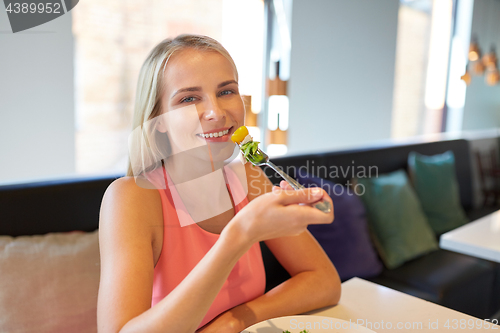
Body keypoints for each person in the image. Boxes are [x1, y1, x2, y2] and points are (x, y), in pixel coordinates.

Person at [97, 34, 341, 333]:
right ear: (158, 119)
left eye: (226, 91)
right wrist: (239, 235)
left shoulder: (249, 177)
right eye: (189, 98)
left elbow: (324, 281)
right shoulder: (132, 197)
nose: (216, 112)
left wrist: (233, 321)